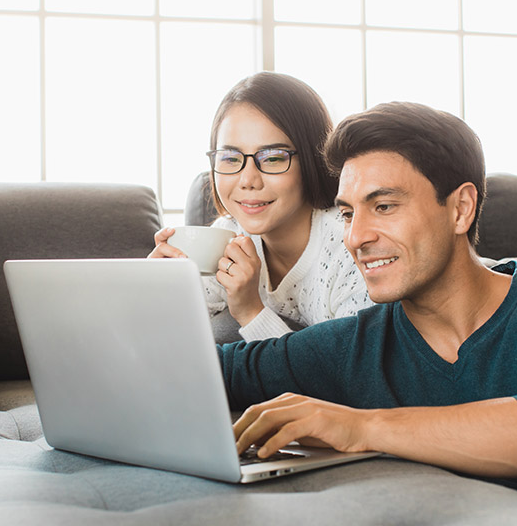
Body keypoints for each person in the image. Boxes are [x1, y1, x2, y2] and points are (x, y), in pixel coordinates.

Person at [216, 101, 517, 526]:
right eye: (349, 213)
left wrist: (361, 426)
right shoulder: (352, 345)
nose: (356, 237)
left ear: (461, 208)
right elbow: (216, 370)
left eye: (384, 206)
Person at [149, 72, 370, 341]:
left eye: (273, 158)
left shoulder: (353, 246)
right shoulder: (226, 235)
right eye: (230, 158)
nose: (248, 180)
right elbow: (170, 340)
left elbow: (347, 375)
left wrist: (250, 311)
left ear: (313, 159)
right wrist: (158, 291)